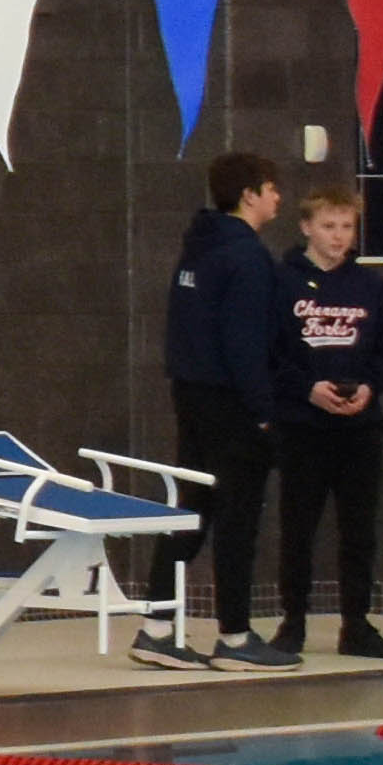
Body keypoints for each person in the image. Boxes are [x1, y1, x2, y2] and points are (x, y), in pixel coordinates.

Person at [159, 149, 293, 667]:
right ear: (249, 196)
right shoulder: (247, 257)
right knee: (237, 519)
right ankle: (235, 636)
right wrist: (262, 411)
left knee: (192, 508)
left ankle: (154, 623)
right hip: (231, 403)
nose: (278, 196)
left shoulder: (198, 249)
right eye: (272, 188)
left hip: (192, 395)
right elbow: (244, 344)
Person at [270, 181, 383, 664]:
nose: (338, 236)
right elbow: (271, 354)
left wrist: (368, 387)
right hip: (303, 425)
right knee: (299, 527)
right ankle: (293, 622)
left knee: (359, 529)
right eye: (328, 226)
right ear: (306, 227)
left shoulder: (370, 286)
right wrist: (309, 389)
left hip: (359, 428)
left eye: (347, 227)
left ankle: (357, 623)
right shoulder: (281, 282)